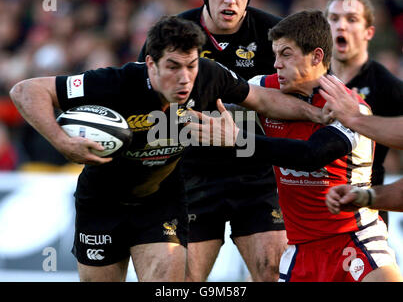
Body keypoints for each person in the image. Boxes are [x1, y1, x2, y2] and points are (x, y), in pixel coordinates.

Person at [9, 15, 324, 282]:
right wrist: (63, 142)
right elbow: (26, 90)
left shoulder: (209, 76)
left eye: (190, 65)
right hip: (101, 202)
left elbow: (264, 100)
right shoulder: (113, 83)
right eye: (173, 66)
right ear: (150, 63)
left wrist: (321, 113)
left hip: (161, 200)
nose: (184, 78)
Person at [188, 10, 402, 281]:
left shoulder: (350, 108)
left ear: (316, 56)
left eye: (286, 54)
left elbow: (310, 155)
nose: (276, 64)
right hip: (300, 249)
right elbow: (223, 83)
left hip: (353, 239)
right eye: (275, 54)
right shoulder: (265, 87)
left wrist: (237, 139)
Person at [139, 0, 287, 282]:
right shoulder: (173, 35)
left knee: (274, 271)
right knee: (181, 281)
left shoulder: (275, 34)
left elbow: (297, 98)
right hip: (191, 176)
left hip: (256, 175)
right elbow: (151, 112)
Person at [323, 0, 403, 225]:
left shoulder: (388, 87)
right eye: (334, 18)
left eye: (351, 19)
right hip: (310, 208)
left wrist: (356, 117)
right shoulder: (308, 82)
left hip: (366, 208)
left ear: (369, 32)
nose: (341, 26)